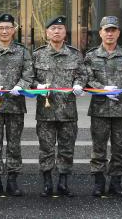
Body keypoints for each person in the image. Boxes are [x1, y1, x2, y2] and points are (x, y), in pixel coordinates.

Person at [84, 16, 122, 198]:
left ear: (118, 33)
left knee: (119, 148)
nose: (109, 33)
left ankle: (116, 182)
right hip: (100, 108)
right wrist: (101, 89)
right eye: (106, 30)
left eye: (113, 30)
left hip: (121, 108)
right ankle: (99, 182)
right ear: (100, 32)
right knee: (98, 147)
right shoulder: (91, 55)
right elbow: (86, 78)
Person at [0, 13, 33, 197]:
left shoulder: (23, 51)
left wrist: (21, 86)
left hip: (15, 105)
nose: (4, 31)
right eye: (1, 28)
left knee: (14, 145)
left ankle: (12, 181)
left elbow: (28, 74)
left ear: (14, 30)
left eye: (8, 28)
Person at [32, 15, 86, 197]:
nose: (56, 31)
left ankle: (63, 182)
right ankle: (47, 182)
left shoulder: (75, 54)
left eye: (60, 29)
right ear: (47, 32)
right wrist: (36, 86)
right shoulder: (37, 54)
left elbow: (82, 74)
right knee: (46, 149)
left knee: (66, 148)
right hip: (46, 111)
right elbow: (29, 78)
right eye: (53, 28)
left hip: (67, 111)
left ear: (65, 32)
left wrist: (79, 84)